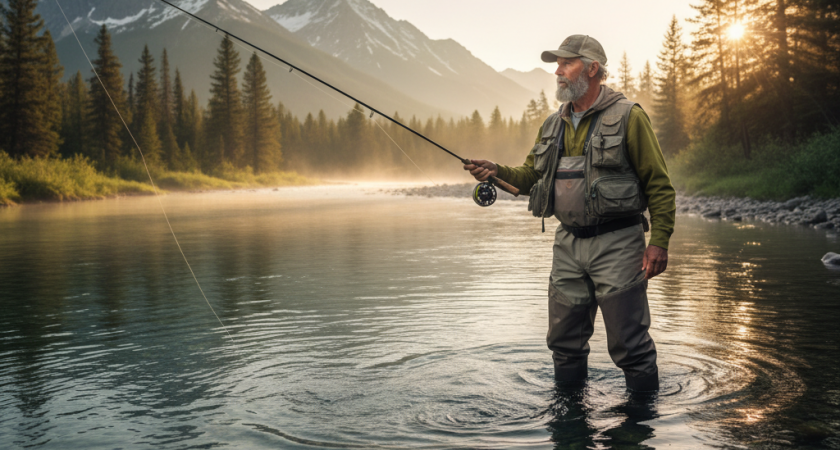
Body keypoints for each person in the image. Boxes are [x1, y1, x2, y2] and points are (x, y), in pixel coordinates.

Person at [464, 35, 675, 392]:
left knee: (630, 346)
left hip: (619, 244)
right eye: (557, 65)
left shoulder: (628, 117)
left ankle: (640, 426)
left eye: (566, 64)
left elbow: (658, 183)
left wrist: (660, 242)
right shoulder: (552, 124)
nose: (558, 72)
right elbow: (530, 177)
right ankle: (569, 419)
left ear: (593, 69)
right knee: (563, 344)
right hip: (567, 246)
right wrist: (495, 170)